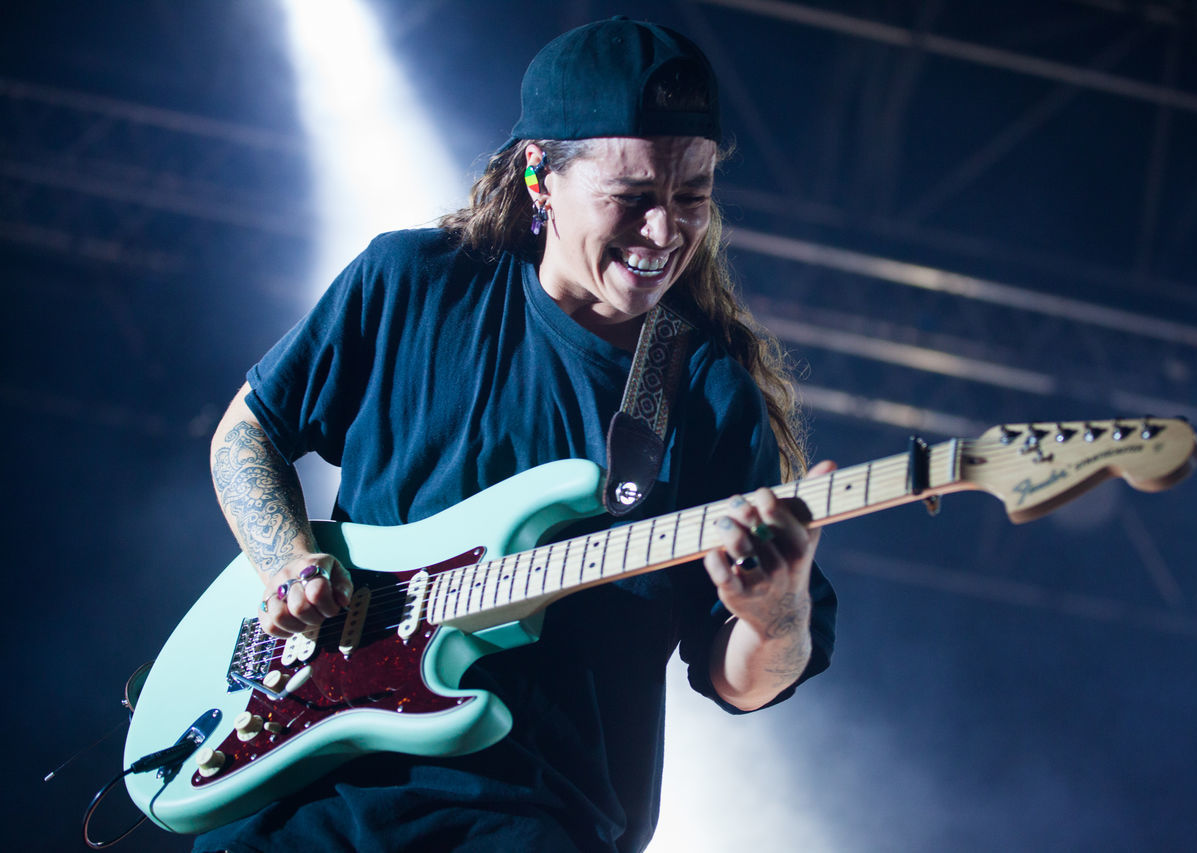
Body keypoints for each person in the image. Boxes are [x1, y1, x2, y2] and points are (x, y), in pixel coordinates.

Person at [196, 17, 837, 853]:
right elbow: (247, 433)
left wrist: (776, 615)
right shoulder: (411, 282)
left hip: (529, 818)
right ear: (540, 173)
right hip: (309, 790)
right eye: (632, 197)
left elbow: (738, 679)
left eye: (692, 196)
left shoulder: (710, 396)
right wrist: (288, 562)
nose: (664, 232)